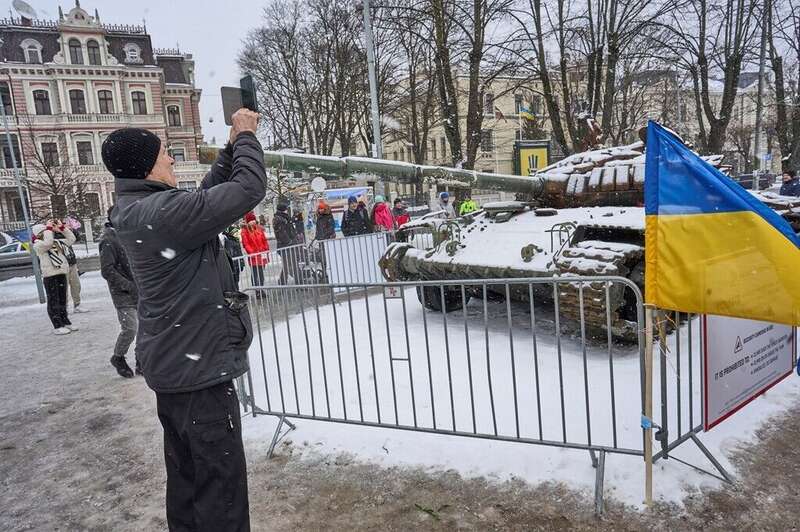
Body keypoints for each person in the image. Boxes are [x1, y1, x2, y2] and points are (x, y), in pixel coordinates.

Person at [104, 108, 265, 531]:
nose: (172, 159)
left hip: (177, 369)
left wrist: (230, 149)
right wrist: (247, 136)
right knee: (221, 492)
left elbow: (204, 201)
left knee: (189, 482)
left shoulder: (140, 209)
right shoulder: (162, 213)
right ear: (146, 167)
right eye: (165, 154)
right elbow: (248, 188)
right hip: (199, 376)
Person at [99, 207, 139, 378]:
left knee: (144, 329)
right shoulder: (108, 239)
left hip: (139, 290)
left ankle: (141, 361)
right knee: (130, 328)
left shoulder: (129, 234)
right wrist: (128, 285)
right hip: (123, 293)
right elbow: (107, 270)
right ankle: (118, 357)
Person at [32, 220, 78, 335]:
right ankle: (57, 325)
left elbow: (71, 239)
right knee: (54, 301)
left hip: (61, 272)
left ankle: (65, 321)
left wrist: (62, 228)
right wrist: (48, 228)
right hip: (50, 275)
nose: (50, 232)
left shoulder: (56, 242)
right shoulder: (38, 244)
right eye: (45, 231)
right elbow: (47, 243)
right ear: (39, 234)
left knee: (63, 299)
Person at [273, 197, 301, 284]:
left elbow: (290, 230)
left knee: (289, 264)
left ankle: (283, 281)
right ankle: (298, 282)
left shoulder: (284, 218)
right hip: (285, 245)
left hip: (288, 245)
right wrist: (289, 242)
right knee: (291, 265)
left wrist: (295, 238)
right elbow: (282, 233)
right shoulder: (279, 219)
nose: (287, 210)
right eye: (286, 209)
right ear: (283, 210)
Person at [240, 211, 270, 287]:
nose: (253, 221)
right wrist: (252, 252)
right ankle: (256, 289)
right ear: (247, 222)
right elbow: (246, 244)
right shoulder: (245, 231)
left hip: (262, 254)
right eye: (251, 220)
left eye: (254, 220)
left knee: (261, 273)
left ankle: (261, 288)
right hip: (254, 256)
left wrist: (266, 248)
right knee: (255, 274)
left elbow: (264, 240)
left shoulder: (258, 228)